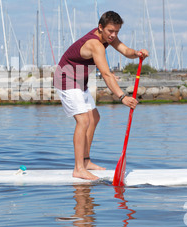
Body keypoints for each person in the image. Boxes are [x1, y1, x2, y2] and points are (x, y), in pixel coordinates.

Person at [54, 11, 149, 180]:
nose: (113, 35)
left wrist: (137, 54)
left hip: (79, 82)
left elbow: (125, 50)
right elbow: (106, 74)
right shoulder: (95, 44)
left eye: (117, 32)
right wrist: (122, 97)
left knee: (94, 117)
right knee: (83, 120)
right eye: (110, 31)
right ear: (100, 27)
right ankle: (78, 168)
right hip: (66, 80)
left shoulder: (108, 38)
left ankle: (86, 161)